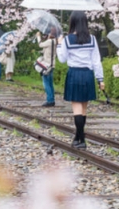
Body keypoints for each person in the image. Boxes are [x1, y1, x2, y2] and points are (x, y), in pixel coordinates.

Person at [56, 11, 104, 150]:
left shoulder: (67, 40)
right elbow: (96, 61)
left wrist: (59, 44)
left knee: (77, 108)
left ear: (72, 22)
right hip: (88, 74)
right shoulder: (92, 39)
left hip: (74, 74)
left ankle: (81, 139)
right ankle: (78, 137)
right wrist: (100, 79)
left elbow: (62, 59)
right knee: (83, 109)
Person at [38, 29, 57, 107]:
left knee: (46, 83)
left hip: (47, 66)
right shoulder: (54, 41)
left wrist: (38, 37)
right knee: (50, 83)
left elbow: (40, 45)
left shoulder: (49, 42)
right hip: (51, 65)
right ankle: (52, 99)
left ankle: (49, 100)